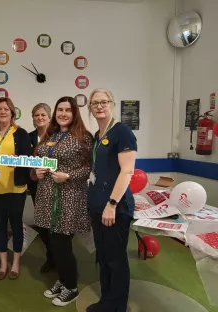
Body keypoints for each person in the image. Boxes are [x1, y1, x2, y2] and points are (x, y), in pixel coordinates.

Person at [34, 96, 93, 307]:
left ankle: (72, 287)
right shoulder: (51, 134)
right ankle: (63, 279)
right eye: (60, 109)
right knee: (53, 243)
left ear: (74, 113)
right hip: (47, 195)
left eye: (68, 110)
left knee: (61, 243)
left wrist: (68, 175)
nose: (63, 113)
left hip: (69, 197)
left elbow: (88, 168)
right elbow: (41, 160)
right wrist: (37, 171)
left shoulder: (83, 137)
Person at [86, 88, 137, 312]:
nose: (99, 106)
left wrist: (112, 204)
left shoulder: (122, 132)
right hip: (98, 206)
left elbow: (126, 172)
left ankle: (117, 307)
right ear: (90, 108)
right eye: (95, 103)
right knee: (104, 256)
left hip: (115, 208)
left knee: (115, 259)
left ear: (112, 104)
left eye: (104, 102)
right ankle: (106, 301)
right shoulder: (98, 136)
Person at [0, 97, 32, 280]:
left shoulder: (20, 133)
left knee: (16, 226)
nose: (2, 112)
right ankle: (3, 264)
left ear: (12, 112)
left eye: (6, 109)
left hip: (15, 188)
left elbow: (27, 158)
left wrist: (18, 157)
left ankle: (16, 263)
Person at [28, 103, 55, 274]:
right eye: (36, 115)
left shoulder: (58, 137)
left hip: (54, 186)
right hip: (36, 185)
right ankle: (51, 256)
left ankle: (59, 257)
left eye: (43, 115)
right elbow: (25, 161)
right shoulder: (29, 137)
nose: (40, 118)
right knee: (42, 224)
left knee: (55, 224)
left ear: (49, 117)